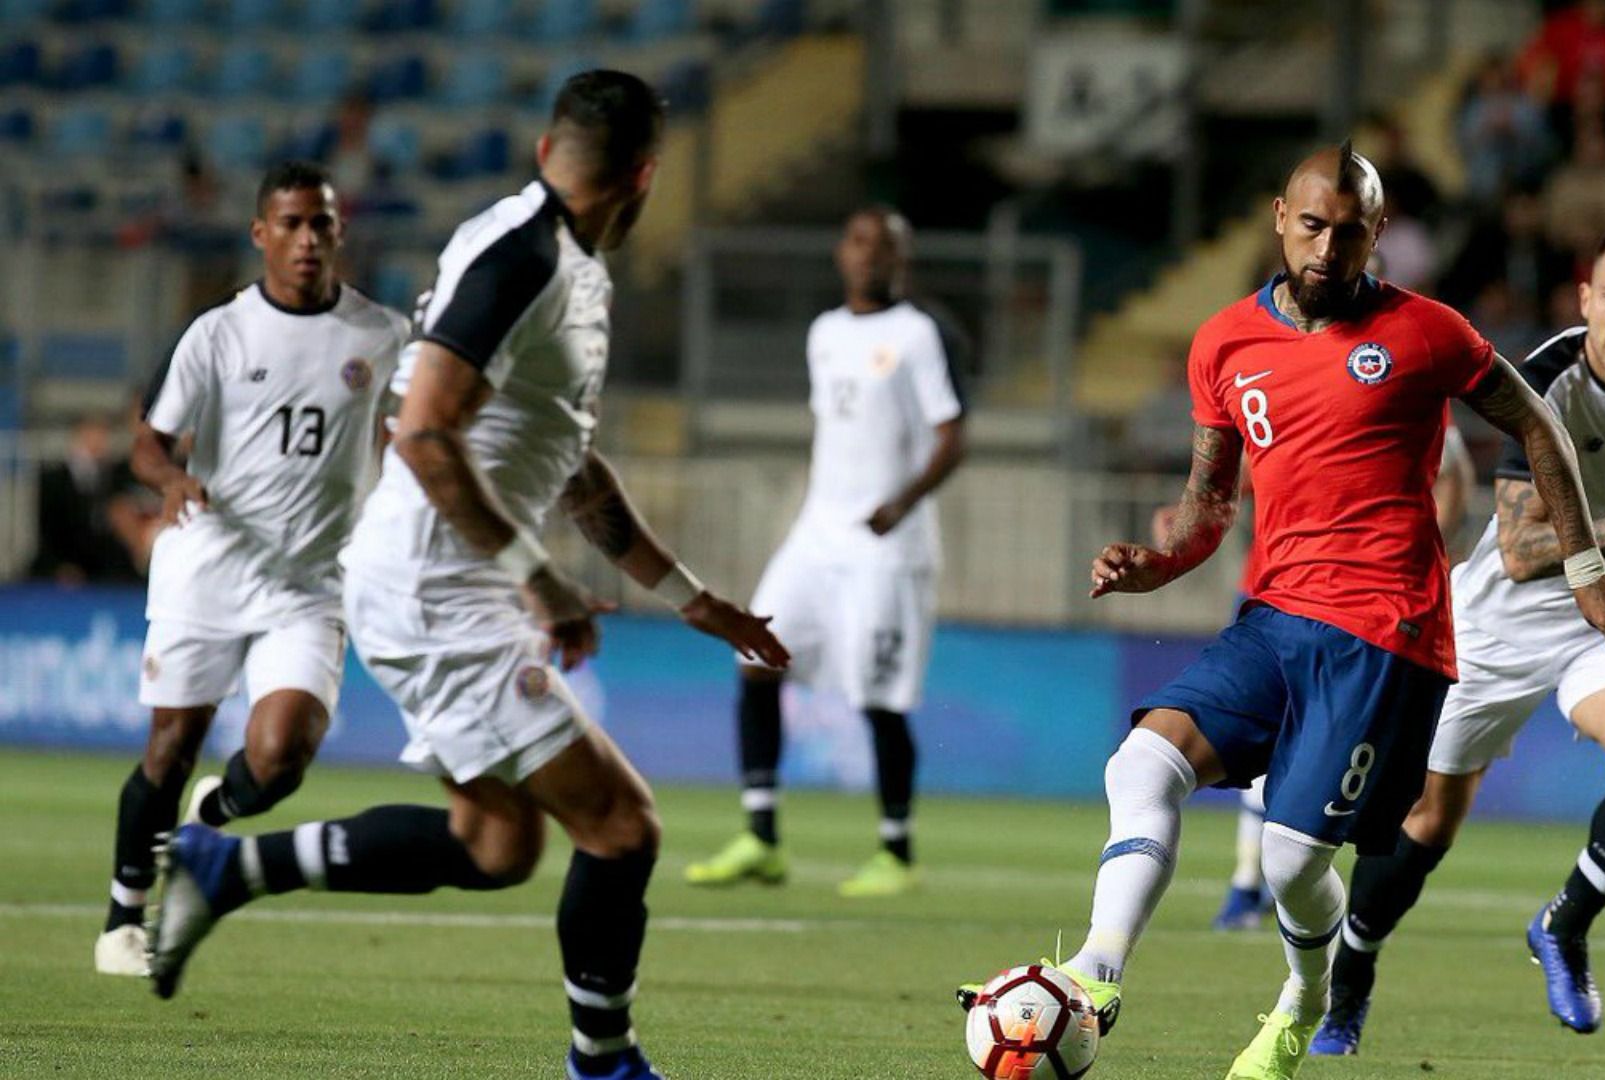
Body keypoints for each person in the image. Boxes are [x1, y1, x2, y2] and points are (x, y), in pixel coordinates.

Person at [960, 143, 1605, 1080]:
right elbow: (1211, 506)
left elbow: (1537, 424)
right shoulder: (1222, 344)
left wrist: (1582, 567)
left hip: (1387, 636)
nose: (1330, 248)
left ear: (1378, 235)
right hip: (1273, 619)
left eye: (1353, 230)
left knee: (1291, 863)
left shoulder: (1428, 332)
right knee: (1141, 764)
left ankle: (1306, 993)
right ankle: (1094, 971)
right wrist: (1160, 561)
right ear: (1280, 218)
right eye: (1314, 225)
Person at [145, 72, 788, 1080]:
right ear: (648, 176)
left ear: (545, 150)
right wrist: (537, 578)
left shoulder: (565, 263)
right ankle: (605, 1065)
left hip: (446, 585)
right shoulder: (522, 258)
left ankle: (229, 863)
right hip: (440, 591)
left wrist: (690, 597)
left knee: (495, 846)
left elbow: (567, 464)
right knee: (621, 828)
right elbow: (423, 433)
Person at [1309, 219, 1605, 1054]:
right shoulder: (1546, 384)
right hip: (1493, 625)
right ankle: (1349, 987)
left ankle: (1562, 925)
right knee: (1424, 829)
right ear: (1584, 299)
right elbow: (1525, 551)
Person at [92, 161, 411, 977]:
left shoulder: (381, 335)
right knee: (170, 744)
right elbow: (149, 440)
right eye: (293, 224)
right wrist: (172, 481)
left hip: (308, 584)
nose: (308, 239)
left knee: (281, 756)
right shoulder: (219, 333)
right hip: (210, 567)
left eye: (322, 225)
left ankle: (216, 811)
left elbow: (415, 433)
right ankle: (123, 921)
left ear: (340, 234)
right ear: (261, 234)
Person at [683, 206, 967, 898]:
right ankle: (760, 837)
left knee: (880, 697)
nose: (871, 255)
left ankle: (896, 852)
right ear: (842, 253)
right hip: (818, 532)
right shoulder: (825, 333)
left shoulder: (916, 334)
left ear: (903, 261)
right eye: (861, 242)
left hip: (887, 544)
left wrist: (899, 504)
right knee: (755, 652)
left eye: (887, 247)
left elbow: (950, 434)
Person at [1212, 419, 1474, 932]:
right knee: (1265, 735)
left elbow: (1454, 469)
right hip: (1274, 590)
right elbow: (1246, 471)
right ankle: (1250, 881)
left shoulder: (1390, 384)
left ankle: (1275, 884)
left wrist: (1422, 553)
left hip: (1356, 604)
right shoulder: (1281, 382)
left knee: (1322, 745)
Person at [31, 413, 144, 585]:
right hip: (64, 565)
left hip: (110, 570)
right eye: (93, 433)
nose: (99, 440)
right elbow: (47, 527)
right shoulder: (53, 479)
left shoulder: (117, 475)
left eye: (103, 434)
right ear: (78, 435)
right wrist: (60, 565)